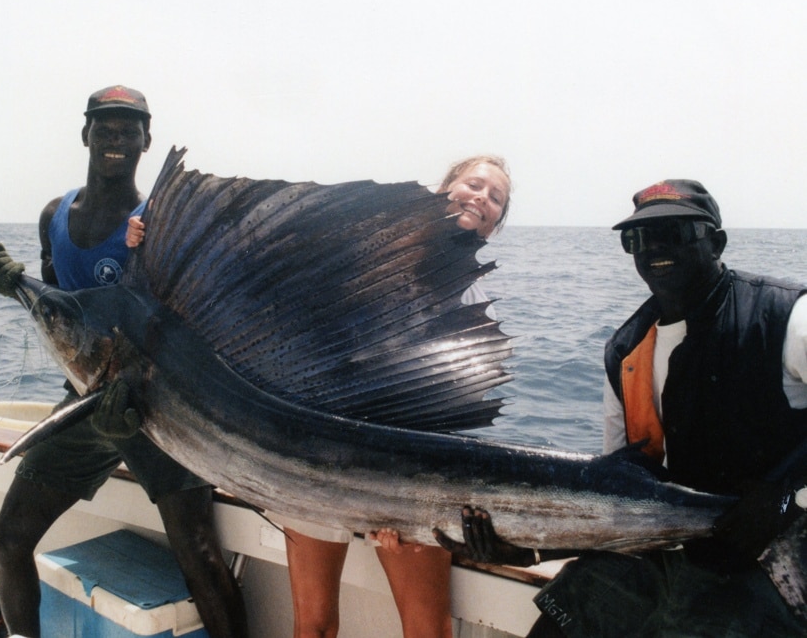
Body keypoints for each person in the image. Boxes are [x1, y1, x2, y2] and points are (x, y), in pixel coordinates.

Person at [125, 155, 511, 637]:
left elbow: (444, 410)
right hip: (304, 461)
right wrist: (155, 236)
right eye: (473, 184)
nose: (481, 197)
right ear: (444, 188)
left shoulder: (468, 299)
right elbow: (254, 256)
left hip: (404, 482)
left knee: (428, 631)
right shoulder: (362, 241)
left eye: (496, 197)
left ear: (497, 223)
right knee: (313, 626)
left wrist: (397, 505)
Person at [435, 179, 807, 637]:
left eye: (676, 232)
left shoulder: (786, 315)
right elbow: (618, 496)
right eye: (640, 238)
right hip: (659, 553)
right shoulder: (626, 350)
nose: (656, 247)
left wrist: (782, 491)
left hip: (768, 559)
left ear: (717, 243)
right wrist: (527, 551)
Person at [0, 85, 248, 638]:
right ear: (85, 134)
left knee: (197, 554)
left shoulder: (157, 221)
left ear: (146, 141)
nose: (116, 139)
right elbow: (63, 312)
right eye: (105, 127)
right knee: (6, 541)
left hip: (160, 408)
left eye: (129, 130)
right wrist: (17, 289)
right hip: (84, 401)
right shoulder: (54, 215)